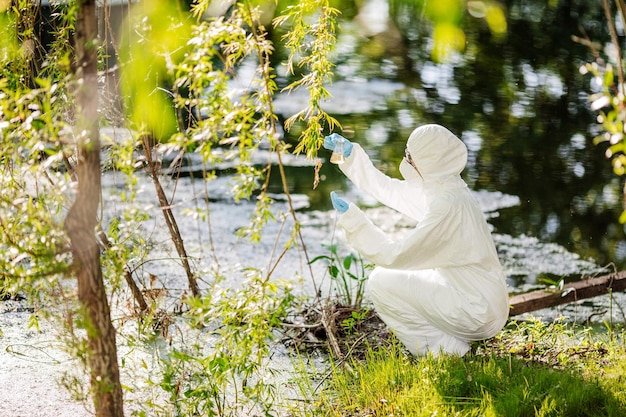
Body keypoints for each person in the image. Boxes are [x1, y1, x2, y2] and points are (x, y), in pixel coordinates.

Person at [324, 124, 509, 357]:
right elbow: (390, 190)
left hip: (478, 311)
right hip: (482, 301)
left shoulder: (446, 207)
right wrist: (352, 158)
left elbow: (395, 256)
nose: (408, 161)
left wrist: (355, 223)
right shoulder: (447, 190)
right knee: (407, 276)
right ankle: (454, 343)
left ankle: (445, 352)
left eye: (411, 156)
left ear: (428, 160)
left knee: (381, 282)